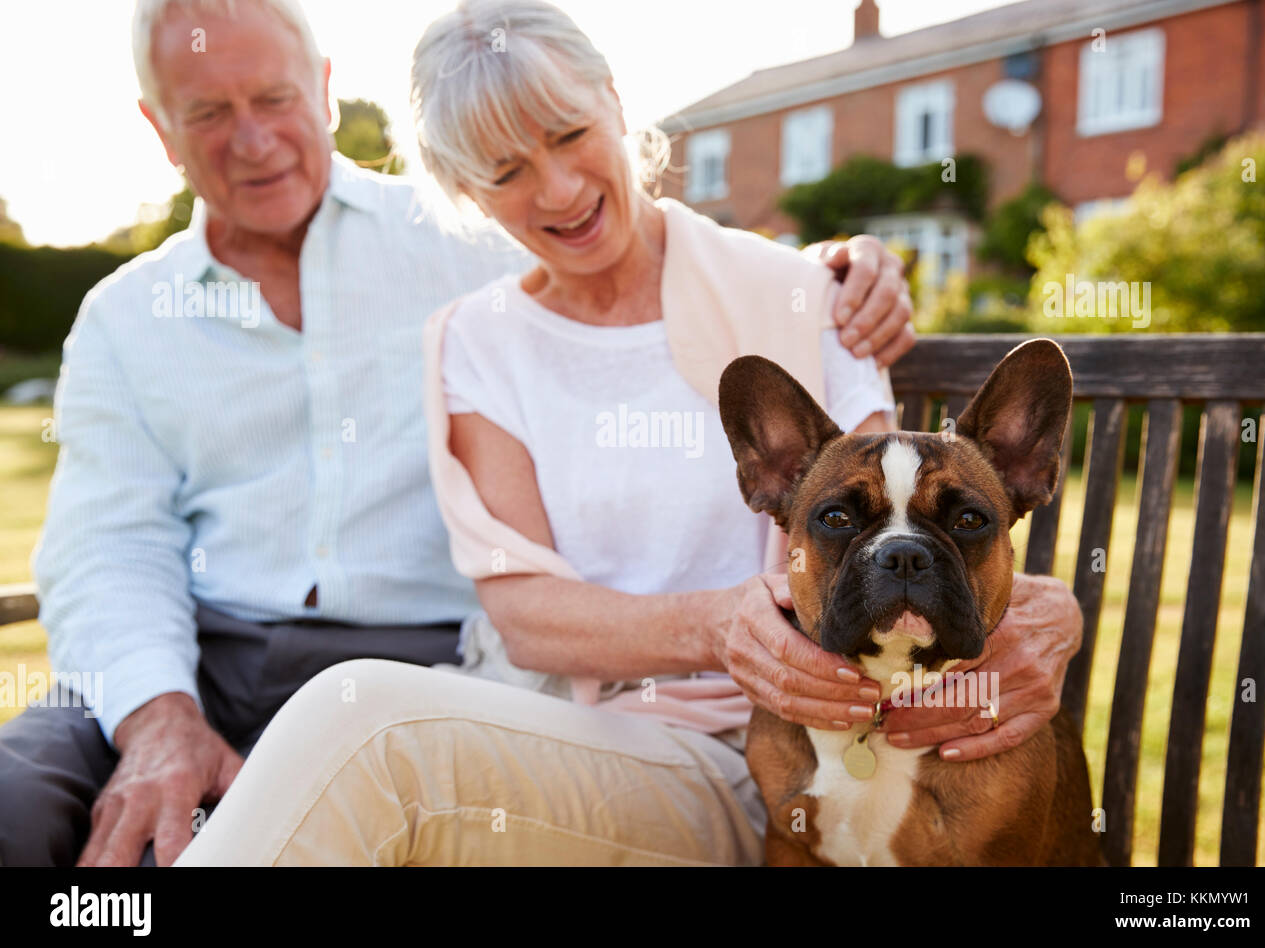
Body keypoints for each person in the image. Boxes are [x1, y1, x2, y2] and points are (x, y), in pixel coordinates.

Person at [0, 0, 919, 867]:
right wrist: (158, 718)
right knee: (15, 809)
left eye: (274, 97)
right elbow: (107, 547)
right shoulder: (132, 318)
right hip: (200, 658)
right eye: (207, 110)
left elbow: (666, 268)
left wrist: (849, 263)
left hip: (417, 664)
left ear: (321, 88)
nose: (253, 139)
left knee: (364, 739)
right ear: (158, 129)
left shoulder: (474, 240)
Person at [173, 0, 1084, 867]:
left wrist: (1049, 608)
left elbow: (895, 518)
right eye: (505, 170)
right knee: (356, 724)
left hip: (764, 757)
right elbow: (527, 614)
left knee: (360, 725)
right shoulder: (477, 343)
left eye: (568, 134)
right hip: (552, 727)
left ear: (613, 101)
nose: (559, 188)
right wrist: (718, 624)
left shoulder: (797, 294)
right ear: (463, 189)